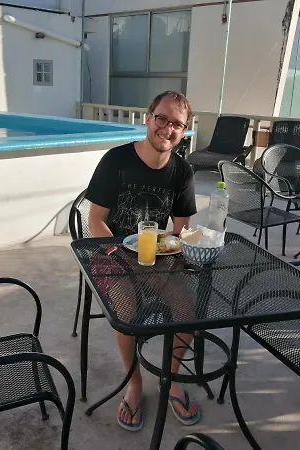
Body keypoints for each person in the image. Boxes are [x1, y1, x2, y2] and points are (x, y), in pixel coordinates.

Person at [84, 90, 200, 431]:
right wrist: (121, 257)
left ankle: (170, 379)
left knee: (187, 304)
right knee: (127, 307)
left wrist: (176, 249)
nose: (167, 128)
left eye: (177, 123)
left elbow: (181, 229)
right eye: (161, 118)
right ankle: (134, 384)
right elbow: (95, 221)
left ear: (184, 131)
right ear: (148, 119)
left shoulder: (182, 172)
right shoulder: (116, 160)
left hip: (154, 256)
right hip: (110, 253)